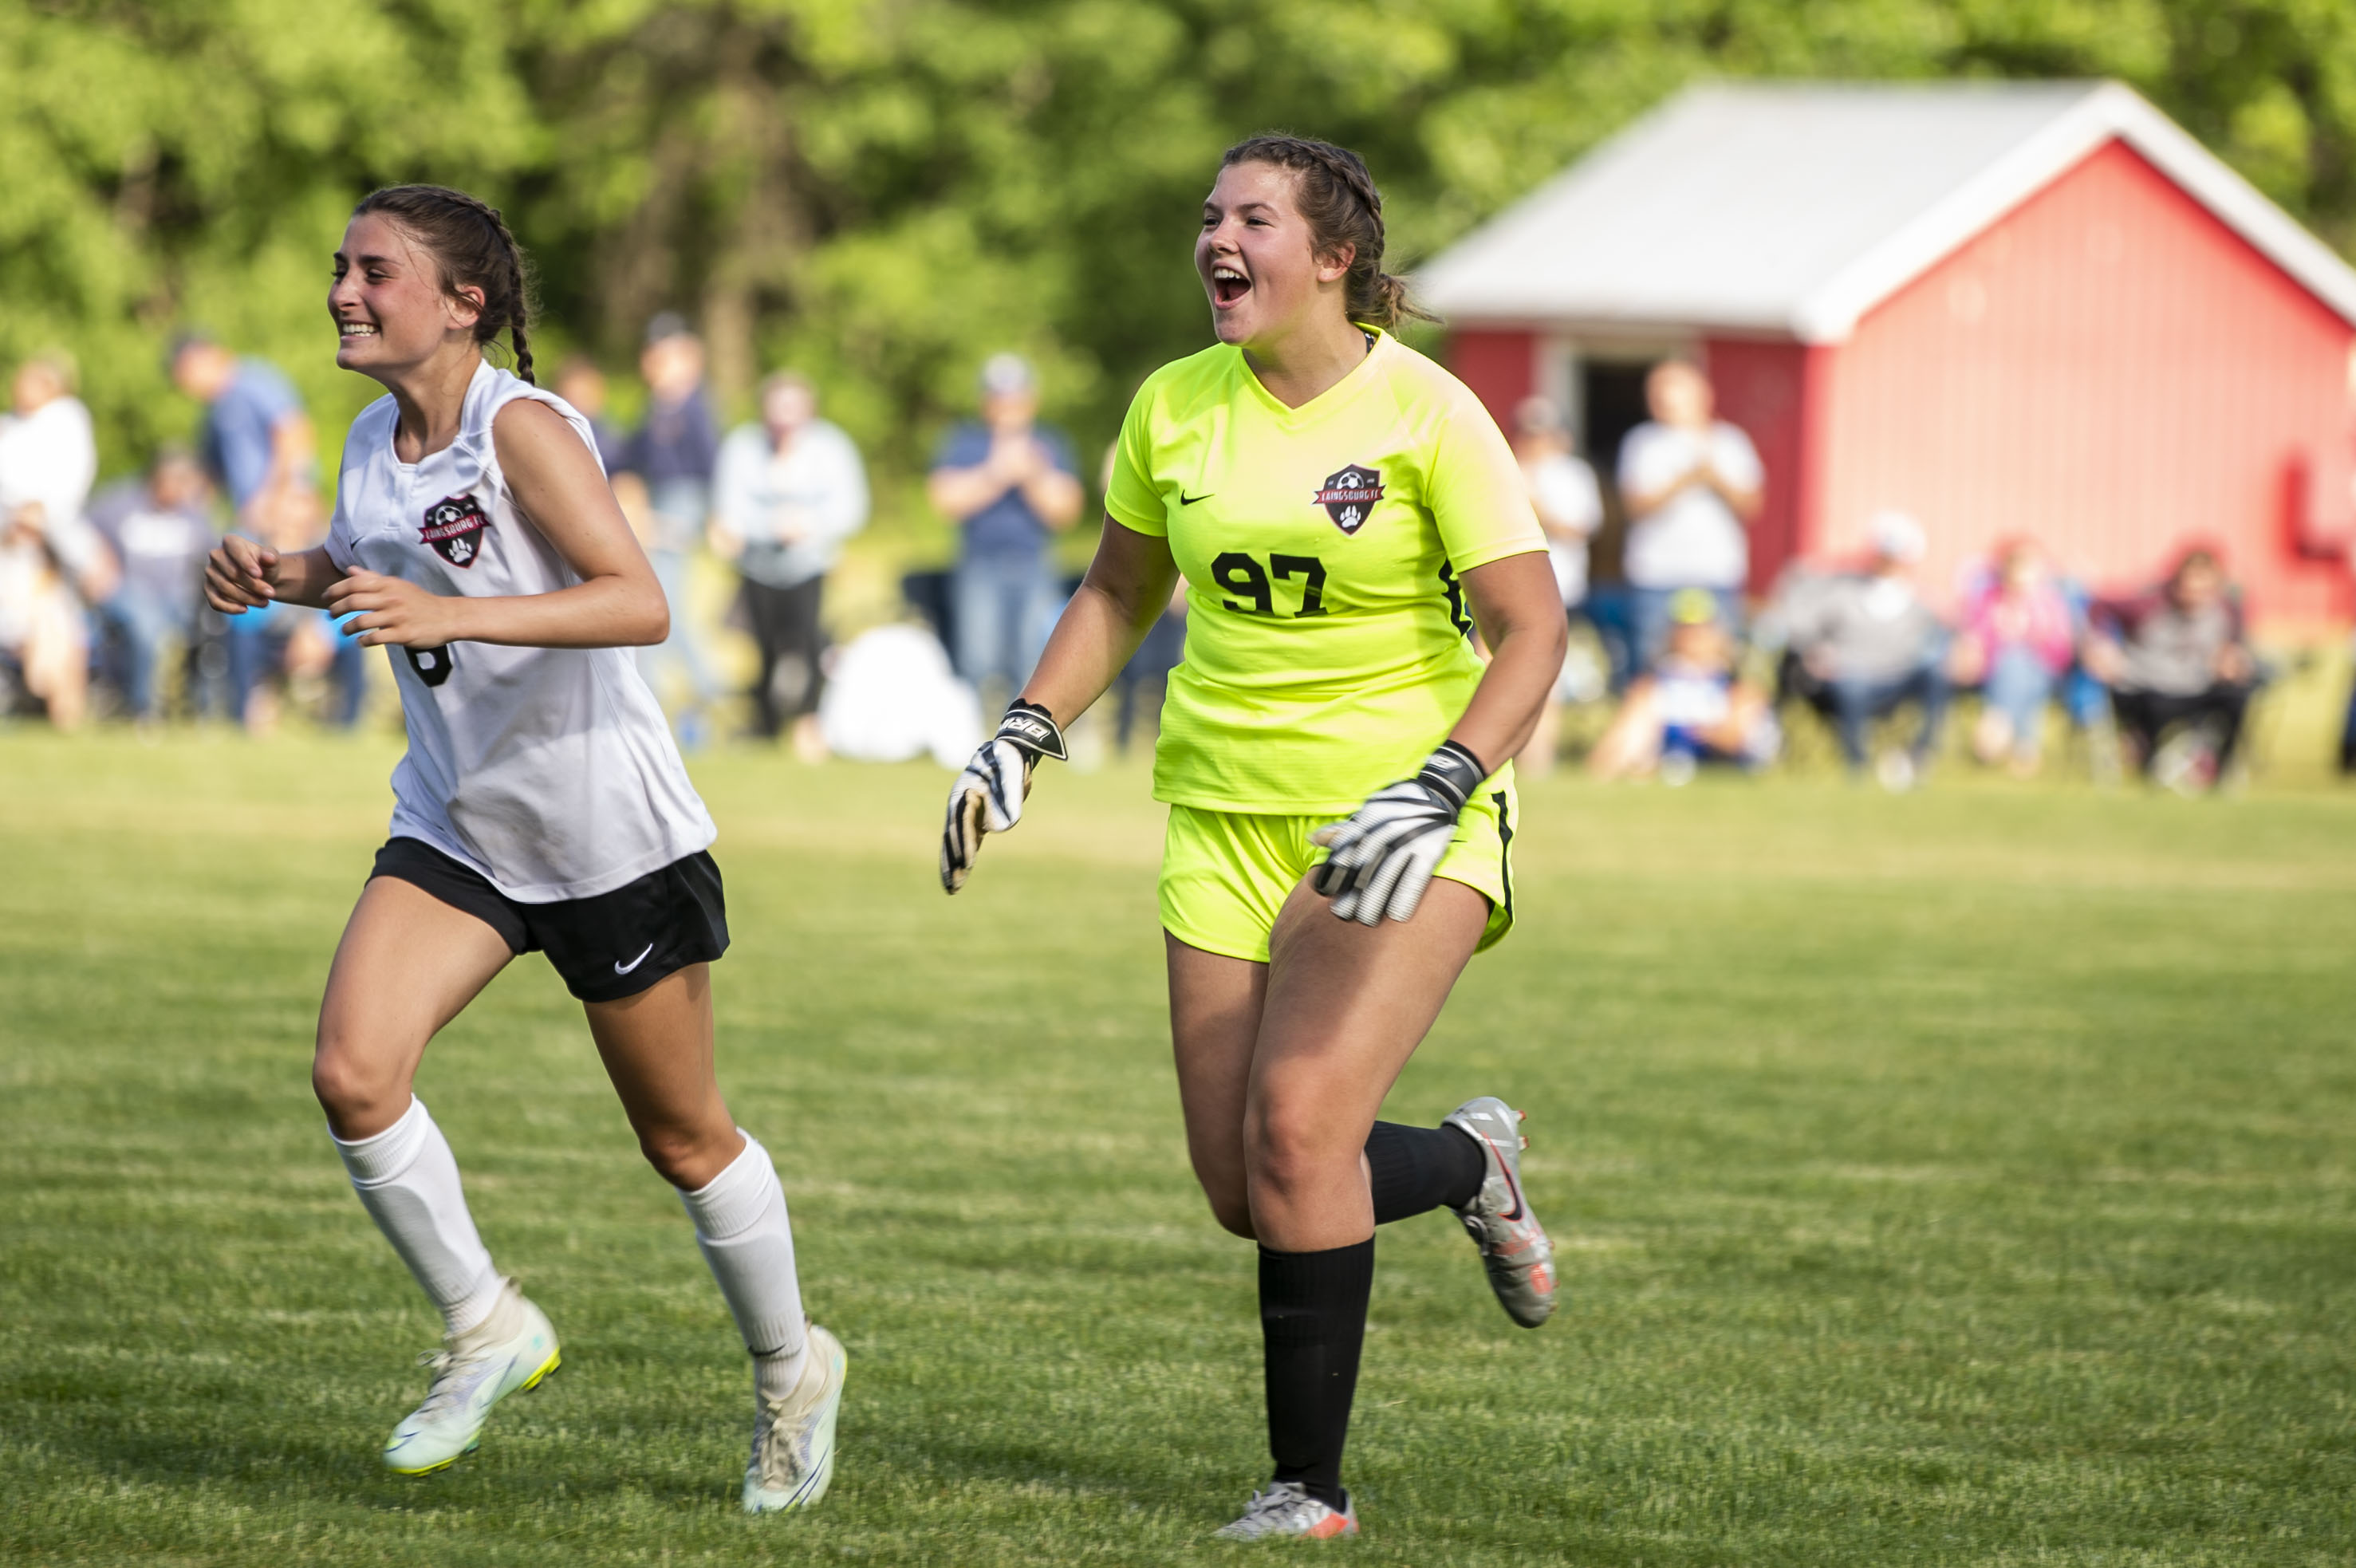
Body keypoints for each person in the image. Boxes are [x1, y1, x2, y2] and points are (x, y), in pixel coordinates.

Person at [938, 136, 1565, 1542]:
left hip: (1398, 821)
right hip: (1215, 819)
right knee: (1248, 1188)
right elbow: (1114, 590)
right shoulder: (1170, 408)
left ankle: (1309, 1494)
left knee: (1298, 1132)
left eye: (1252, 218)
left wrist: (1446, 777)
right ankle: (1470, 1164)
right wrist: (1023, 729)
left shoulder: (1426, 413)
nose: (1215, 239)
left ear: (1331, 256)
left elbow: (1535, 631)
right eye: (1207, 216)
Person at [201, 184, 843, 1510]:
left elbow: (637, 600)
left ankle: (792, 1372)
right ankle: (486, 1324)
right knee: (352, 1073)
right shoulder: (373, 436)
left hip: (606, 834)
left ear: (464, 302)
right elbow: (368, 557)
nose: (342, 289)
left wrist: (448, 608)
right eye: (339, 266)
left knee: (683, 1140)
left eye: (374, 270)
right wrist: (286, 575)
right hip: (460, 824)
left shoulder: (526, 429)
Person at [711, 372, 869, 757]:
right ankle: (765, 725)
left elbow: (852, 507)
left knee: (811, 642)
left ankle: (809, 724)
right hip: (757, 567)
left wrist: (810, 526)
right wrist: (768, 527)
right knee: (762, 648)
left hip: (811, 565)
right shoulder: (743, 447)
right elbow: (728, 508)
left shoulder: (832, 448)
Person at [926, 353, 1083, 702]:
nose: (1007, 406)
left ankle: (1018, 741)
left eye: (1015, 397)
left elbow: (1067, 510)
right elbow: (944, 500)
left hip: (1035, 563)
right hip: (979, 564)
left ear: (1031, 400)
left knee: (1032, 661)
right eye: (999, 397)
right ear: (985, 400)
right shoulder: (964, 441)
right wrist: (996, 472)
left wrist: (1033, 474)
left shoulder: (1050, 443)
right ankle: (968, 738)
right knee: (977, 659)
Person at [1785, 510, 1950, 789]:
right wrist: (1815, 652)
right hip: (1848, 679)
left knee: (1936, 674)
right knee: (1852, 684)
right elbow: (1801, 628)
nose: (1890, 563)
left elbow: (1955, 631)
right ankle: (1857, 764)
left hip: (1897, 680)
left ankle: (1920, 753)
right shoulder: (1840, 590)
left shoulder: (1921, 601)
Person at [1616, 360, 1763, 668]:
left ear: (1701, 395)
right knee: (1652, 663)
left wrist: (1714, 476)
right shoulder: (1642, 442)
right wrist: (1685, 480)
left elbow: (1751, 504)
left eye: (1670, 391)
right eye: (1655, 392)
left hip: (1715, 569)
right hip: (1656, 571)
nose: (1660, 400)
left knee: (1717, 663)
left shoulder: (1729, 441)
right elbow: (1634, 506)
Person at [617, 314, 723, 732]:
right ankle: (665, 694)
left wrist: (703, 520)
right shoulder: (657, 406)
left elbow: (710, 469)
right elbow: (629, 458)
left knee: (665, 606)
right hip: (657, 507)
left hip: (681, 508)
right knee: (658, 602)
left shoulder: (694, 408)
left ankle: (706, 687)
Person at [0, 352, 110, 729]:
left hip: (51, 543)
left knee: (60, 626)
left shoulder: (66, 421)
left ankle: (67, 712)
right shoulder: (11, 426)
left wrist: (40, 515)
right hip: (11, 541)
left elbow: (67, 484)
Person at [2086, 546, 2256, 787]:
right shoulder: (2147, 605)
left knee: (2238, 696)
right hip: (2150, 688)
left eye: (2204, 588)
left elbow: (2237, 649)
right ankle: (2149, 759)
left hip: (2199, 687)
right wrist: (2102, 646)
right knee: (2147, 702)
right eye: (2190, 585)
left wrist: (2233, 660)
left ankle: (2220, 770)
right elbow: (2098, 606)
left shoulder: (2227, 609)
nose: (2195, 595)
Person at [1587, 588, 1776, 782]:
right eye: (1685, 629)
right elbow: (1608, 756)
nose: (1693, 637)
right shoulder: (1653, 686)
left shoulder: (1737, 688)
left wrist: (1689, 731)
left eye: (1701, 629)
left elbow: (1734, 738)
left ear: (1718, 632)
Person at [87, 447, 219, 725]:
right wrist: (98, 560)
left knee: (211, 624)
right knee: (147, 627)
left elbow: (214, 554)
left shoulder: (193, 515)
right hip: (129, 592)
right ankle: (144, 709)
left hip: (179, 598)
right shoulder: (120, 505)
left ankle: (201, 707)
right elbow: (81, 530)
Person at [1511, 395, 1605, 776]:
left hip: (1558, 589)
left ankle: (1538, 761)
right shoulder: (1506, 467)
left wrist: (1535, 505)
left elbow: (1576, 530)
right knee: (1487, 668)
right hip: (1505, 588)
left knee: (1544, 676)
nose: (1536, 441)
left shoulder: (1573, 475)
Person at [170, 331, 317, 540]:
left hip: (284, 515)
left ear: (207, 357)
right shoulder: (213, 410)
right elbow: (212, 474)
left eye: (186, 375)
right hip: (252, 521)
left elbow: (294, 432)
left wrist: (278, 496)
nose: (187, 388)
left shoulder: (252, 381)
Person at [1951, 538, 2078, 775]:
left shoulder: (2051, 604)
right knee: (2012, 660)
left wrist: (2033, 636)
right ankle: (2025, 746)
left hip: (2044, 674)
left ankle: (1998, 721)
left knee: (2019, 661)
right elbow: (1974, 638)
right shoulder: (1988, 600)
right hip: (1991, 673)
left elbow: (2062, 652)